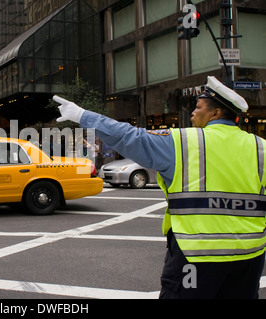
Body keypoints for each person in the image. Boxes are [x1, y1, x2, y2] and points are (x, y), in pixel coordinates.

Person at [54, 76, 266, 299]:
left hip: (196, 257)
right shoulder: (260, 148)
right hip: (249, 258)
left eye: (199, 107)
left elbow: (129, 136)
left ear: (216, 114)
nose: (193, 113)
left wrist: (82, 115)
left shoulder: (183, 141)